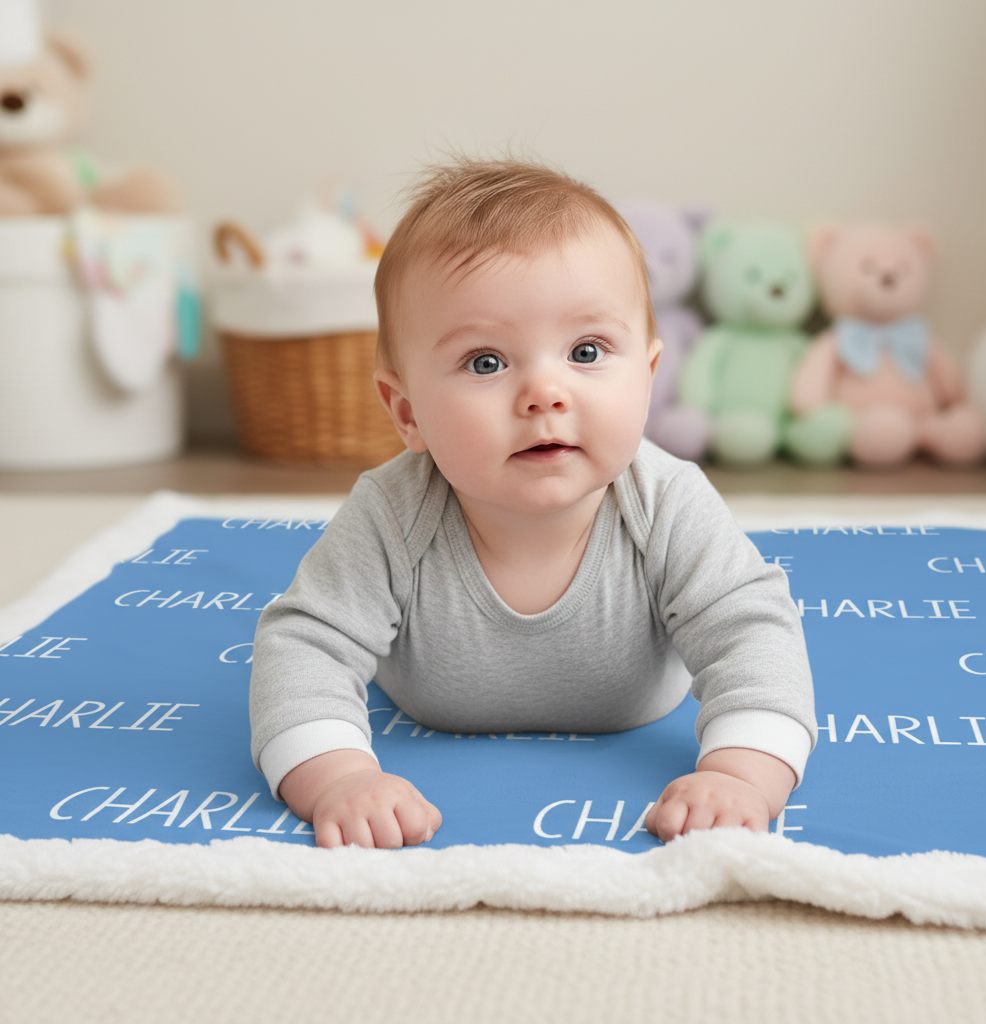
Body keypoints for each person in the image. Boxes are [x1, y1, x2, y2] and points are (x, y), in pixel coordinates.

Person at [249, 154, 817, 850]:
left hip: (638, 715)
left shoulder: (666, 501)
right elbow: (305, 644)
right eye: (486, 362)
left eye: (585, 351)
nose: (545, 393)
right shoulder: (392, 513)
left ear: (648, 376)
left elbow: (754, 632)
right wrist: (336, 778)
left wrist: (742, 775)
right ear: (407, 412)